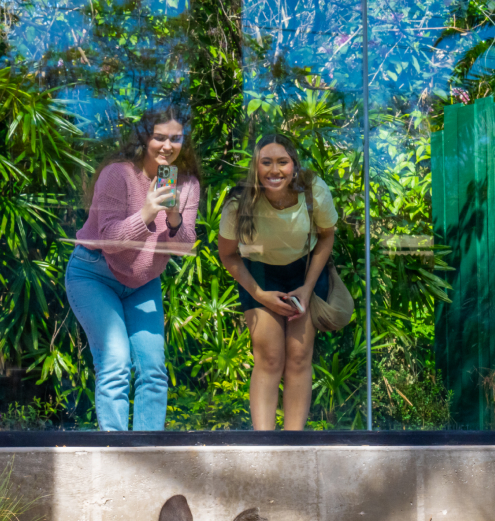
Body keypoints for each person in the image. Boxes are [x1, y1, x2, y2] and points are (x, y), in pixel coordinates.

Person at [66, 106, 201, 431]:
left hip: (142, 282)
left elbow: (183, 247)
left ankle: (148, 450)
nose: (167, 145)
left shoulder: (187, 185)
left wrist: (172, 217)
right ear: (144, 140)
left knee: (153, 369)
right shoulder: (118, 175)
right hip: (94, 274)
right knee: (115, 360)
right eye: (159, 137)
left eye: (175, 138)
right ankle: (114, 446)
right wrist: (146, 212)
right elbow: (110, 240)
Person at [218, 135, 338, 431]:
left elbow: (327, 236)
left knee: (299, 356)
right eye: (266, 162)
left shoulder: (314, 189)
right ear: (255, 167)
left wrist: (307, 289)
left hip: (305, 270)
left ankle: (293, 442)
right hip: (259, 273)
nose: (274, 170)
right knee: (269, 356)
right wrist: (260, 294)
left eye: (282, 162)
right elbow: (228, 255)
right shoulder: (239, 202)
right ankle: (264, 443)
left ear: (294, 166)